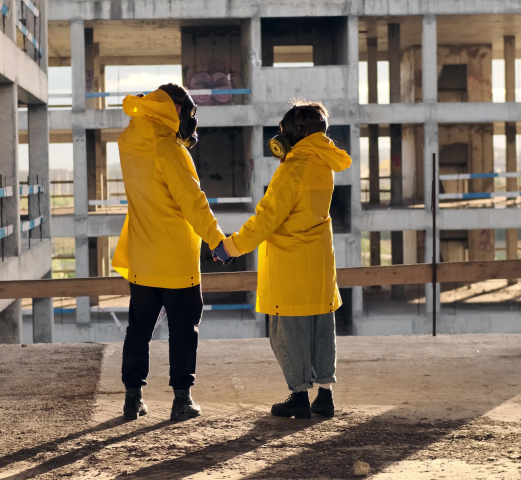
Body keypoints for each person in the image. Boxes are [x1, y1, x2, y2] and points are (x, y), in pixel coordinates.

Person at [213, 100, 351, 419]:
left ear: (296, 133)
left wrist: (230, 247)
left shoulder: (293, 169)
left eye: (284, 130)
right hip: (319, 262)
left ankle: (299, 397)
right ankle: (325, 397)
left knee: (287, 333)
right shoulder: (323, 164)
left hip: (291, 264)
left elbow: (266, 219)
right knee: (320, 328)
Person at [112, 84, 226, 422]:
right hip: (177, 261)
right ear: (172, 110)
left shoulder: (131, 144)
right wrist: (216, 239)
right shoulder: (168, 149)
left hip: (144, 260)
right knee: (183, 330)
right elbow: (193, 201)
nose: (191, 121)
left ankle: (132, 400)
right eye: (188, 113)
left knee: (138, 330)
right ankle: (182, 400)